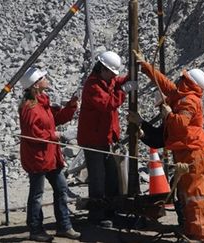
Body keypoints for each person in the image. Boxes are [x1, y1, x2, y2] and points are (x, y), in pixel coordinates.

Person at [133, 50, 204, 242]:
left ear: (189, 83)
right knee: (185, 194)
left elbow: (180, 125)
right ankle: (191, 229)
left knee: (195, 194)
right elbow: (164, 83)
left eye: (183, 79)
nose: (179, 80)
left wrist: (168, 115)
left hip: (193, 152)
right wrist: (145, 66)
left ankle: (202, 235)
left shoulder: (190, 101)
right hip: (185, 151)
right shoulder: (181, 95)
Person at [19, 67, 81, 242]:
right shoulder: (30, 108)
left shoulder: (42, 103)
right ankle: (35, 229)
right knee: (37, 194)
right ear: (36, 85)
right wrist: (55, 135)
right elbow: (33, 134)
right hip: (38, 157)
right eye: (43, 78)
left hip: (51, 156)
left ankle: (64, 226)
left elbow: (56, 119)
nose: (47, 79)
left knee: (61, 190)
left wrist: (71, 106)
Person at [77, 51, 136, 228]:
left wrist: (129, 77)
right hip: (93, 140)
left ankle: (111, 211)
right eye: (111, 72)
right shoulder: (92, 86)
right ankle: (97, 215)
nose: (113, 76)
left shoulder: (106, 79)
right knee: (98, 179)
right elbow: (108, 104)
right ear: (102, 69)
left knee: (111, 177)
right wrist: (125, 90)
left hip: (105, 138)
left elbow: (116, 82)